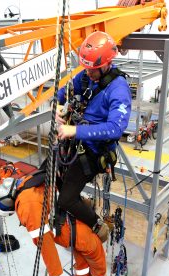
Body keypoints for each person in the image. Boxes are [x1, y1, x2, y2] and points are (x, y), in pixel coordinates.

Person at [0, 165, 111, 276]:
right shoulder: (26, 203)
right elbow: (42, 238)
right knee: (97, 256)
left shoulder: (23, 184)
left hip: (66, 215)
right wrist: (55, 270)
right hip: (67, 228)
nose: (4, 186)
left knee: (83, 260)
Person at [56, 31, 132, 232]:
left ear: (107, 64)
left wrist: (75, 130)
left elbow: (115, 129)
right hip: (76, 140)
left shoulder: (118, 89)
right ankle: (80, 203)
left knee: (66, 199)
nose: (88, 74)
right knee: (51, 172)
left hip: (94, 151)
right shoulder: (88, 74)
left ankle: (97, 226)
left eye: (93, 70)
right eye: (86, 69)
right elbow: (64, 92)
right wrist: (58, 105)